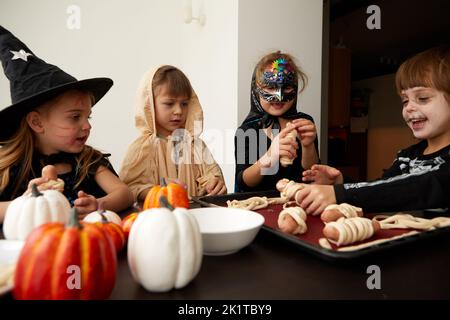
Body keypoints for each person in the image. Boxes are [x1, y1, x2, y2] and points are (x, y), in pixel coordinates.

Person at [0, 26, 134, 221]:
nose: (87, 126)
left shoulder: (88, 160)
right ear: (36, 122)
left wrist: (98, 204)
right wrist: (26, 205)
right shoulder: (9, 168)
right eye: (74, 117)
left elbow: (124, 194)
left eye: (88, 117)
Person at [298, 46, 450, 215]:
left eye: (422, 98)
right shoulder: (406, 156)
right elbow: (384, 188)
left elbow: (418, 188)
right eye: (405, 101)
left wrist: (341, 193)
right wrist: (339, 182)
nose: (409, 108)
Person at [119, 65, 226, 201]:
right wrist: (158, 191)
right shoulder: (142, 148)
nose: (178, 111)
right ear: (149, 105)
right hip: (158, 218)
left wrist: (215, 184)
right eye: (169, 104)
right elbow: (129, 189)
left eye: (184, 104)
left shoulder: (196, 145)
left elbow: (212, 176)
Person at [234, 51, 319, 192]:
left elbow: (311, 173)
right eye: (271, 87)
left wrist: (308, 146)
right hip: (260, 205)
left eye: (286, 87)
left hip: (297, 200)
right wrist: (270, 156)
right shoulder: (247, 130)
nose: (278, 96)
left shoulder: (304, 123)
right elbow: (244, 182)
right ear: (256, 90)